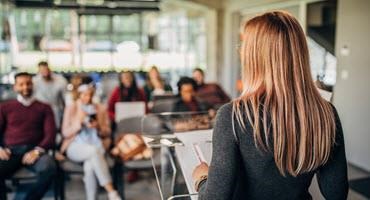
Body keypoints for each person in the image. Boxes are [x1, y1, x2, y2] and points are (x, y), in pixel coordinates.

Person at [192, 11, 348, 200]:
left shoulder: (233, 116)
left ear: (254, 57)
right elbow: (336, 193)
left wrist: (202, 178)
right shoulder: (326, 113)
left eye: (244, 46)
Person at [0, 72, 57, 200]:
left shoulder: (45, 107)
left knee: (50, 168)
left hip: (35, 150)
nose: (25, 87)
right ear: (15, 87)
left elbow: (51, 135)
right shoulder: (5, 107)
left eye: (28, 83)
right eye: (21, 84)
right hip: (11, 152)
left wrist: (37, 151)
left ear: (33, 85)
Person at [60, 84, 121, 200]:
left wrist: (98, 127)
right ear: (79, 95)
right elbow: (65, 133)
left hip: (97, 143)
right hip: (75, 146)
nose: (87, 98)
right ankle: (112, 192)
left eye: (90, 95)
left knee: (89, 167)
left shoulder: (100, 109)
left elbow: (107, 132)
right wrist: (79, 123)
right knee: (93, 151)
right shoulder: (72, 108)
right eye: (84, 95)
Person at [33, 61, 68, 128]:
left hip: (56, 111)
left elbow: (65, 99)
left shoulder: (61, 81)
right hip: (40, 111)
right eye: (42, 70)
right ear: (39, 71)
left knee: (55, 128)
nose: (44, 72)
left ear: (49, 69)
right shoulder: (34, 81)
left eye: (45, 69)